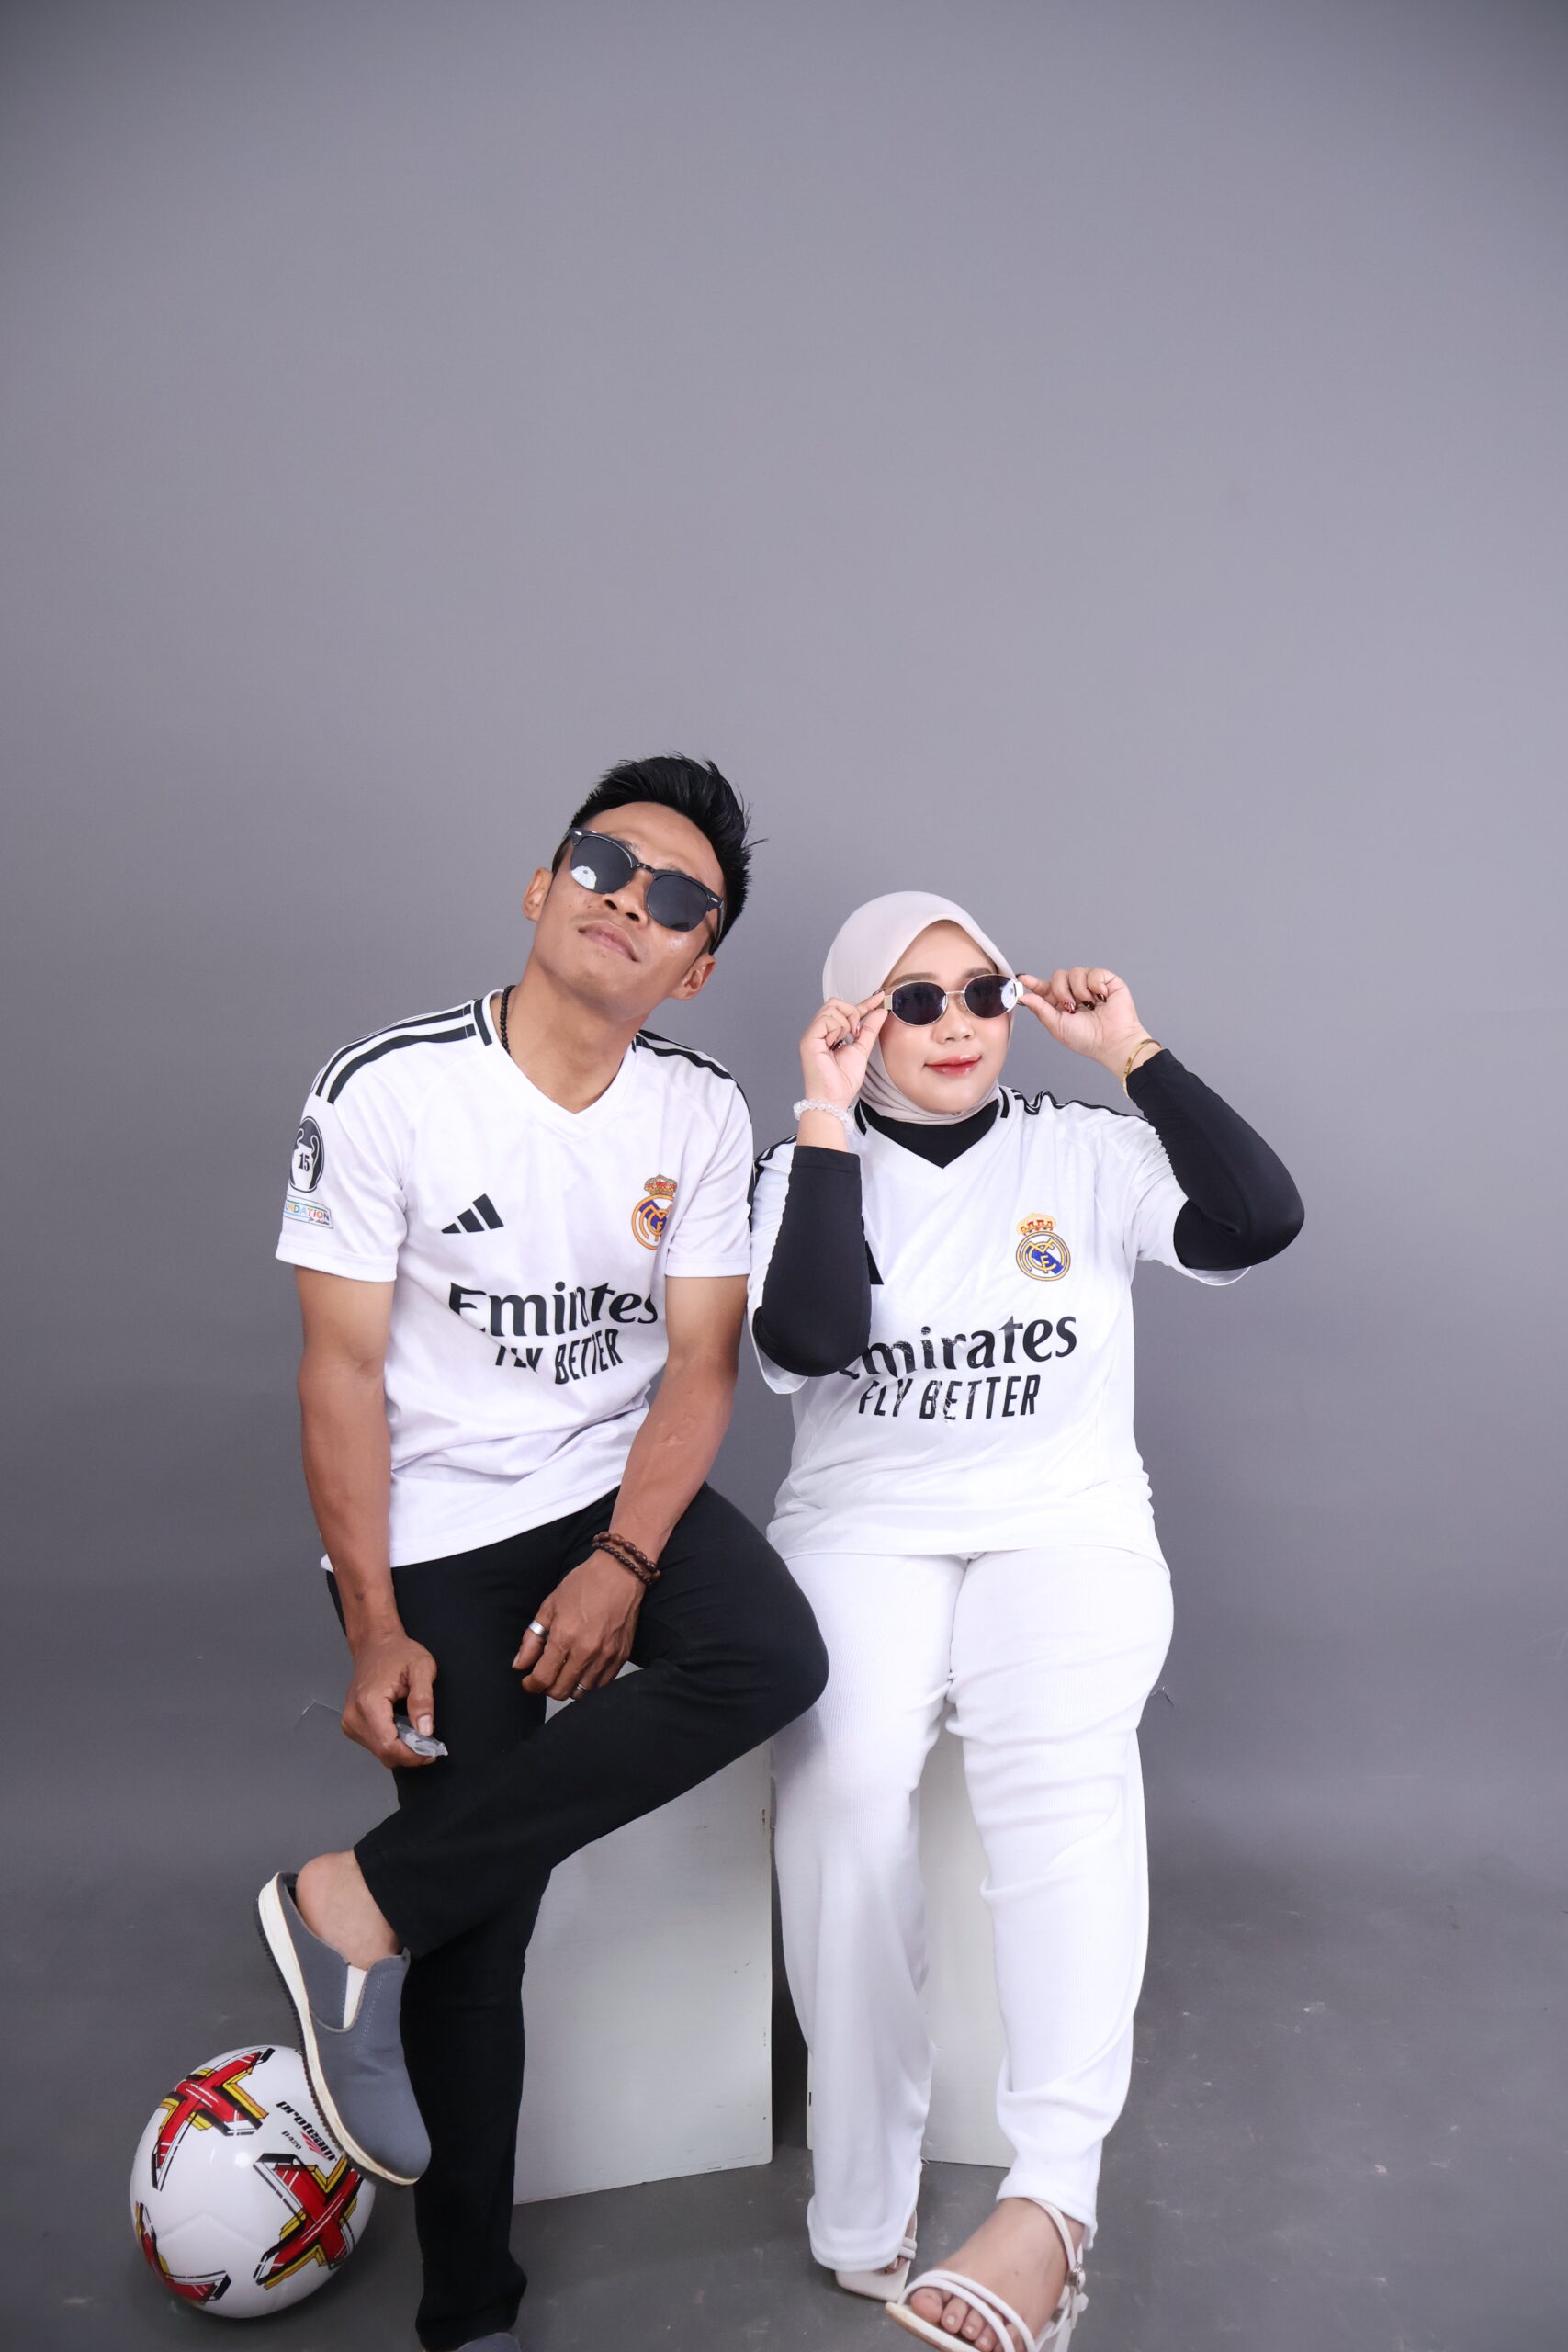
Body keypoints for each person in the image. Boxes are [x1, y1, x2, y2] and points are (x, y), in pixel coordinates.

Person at [260, 757, 828, 2352]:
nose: (628, 901)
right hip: (438, 1523)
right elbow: (338, 1376)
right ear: (542, 884)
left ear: (693, 965)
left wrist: (626, 1561)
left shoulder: (698, 1108)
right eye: (603, 863)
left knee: (771, 1654)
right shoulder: (388, 1090)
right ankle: (470, 2313)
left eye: (676, 899)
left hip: (604, 1489)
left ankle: (354, 1901)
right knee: (485, 1920)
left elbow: (701, 1365)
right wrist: (373, 1624)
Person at [749, 891, 1303, 2352]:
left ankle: (1052, 2199)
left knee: (1052, 1767)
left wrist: (1134, 1053)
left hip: (1064, 1521)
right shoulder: (797, 1168)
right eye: (914, 1000)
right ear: (857, 1021)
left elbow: (1260, 1218)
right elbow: (811, 1335)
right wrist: (824, 1115)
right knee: (842, 1790)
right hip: (865, 1527)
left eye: (983, 993)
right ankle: (860, 2192)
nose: (958, 1026)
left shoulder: (1087, 1149)